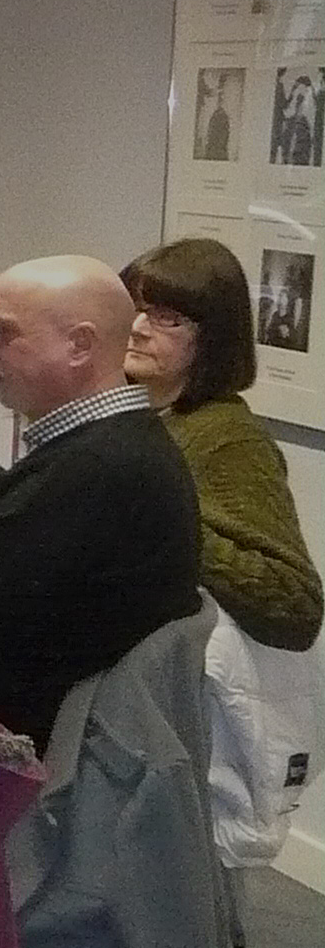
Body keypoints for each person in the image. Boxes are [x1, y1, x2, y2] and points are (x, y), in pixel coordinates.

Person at [0, 256, 203, 746]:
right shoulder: (121, 448)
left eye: (1, 333)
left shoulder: (95, 474)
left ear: (80, 346)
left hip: (4, 761)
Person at [121, 237, 323, 652]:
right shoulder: (138, 414)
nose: (138, 328)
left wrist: (164, 525)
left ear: (213, 337)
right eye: (135, 309)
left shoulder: (229, 437)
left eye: (166, 317)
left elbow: (295, 605)